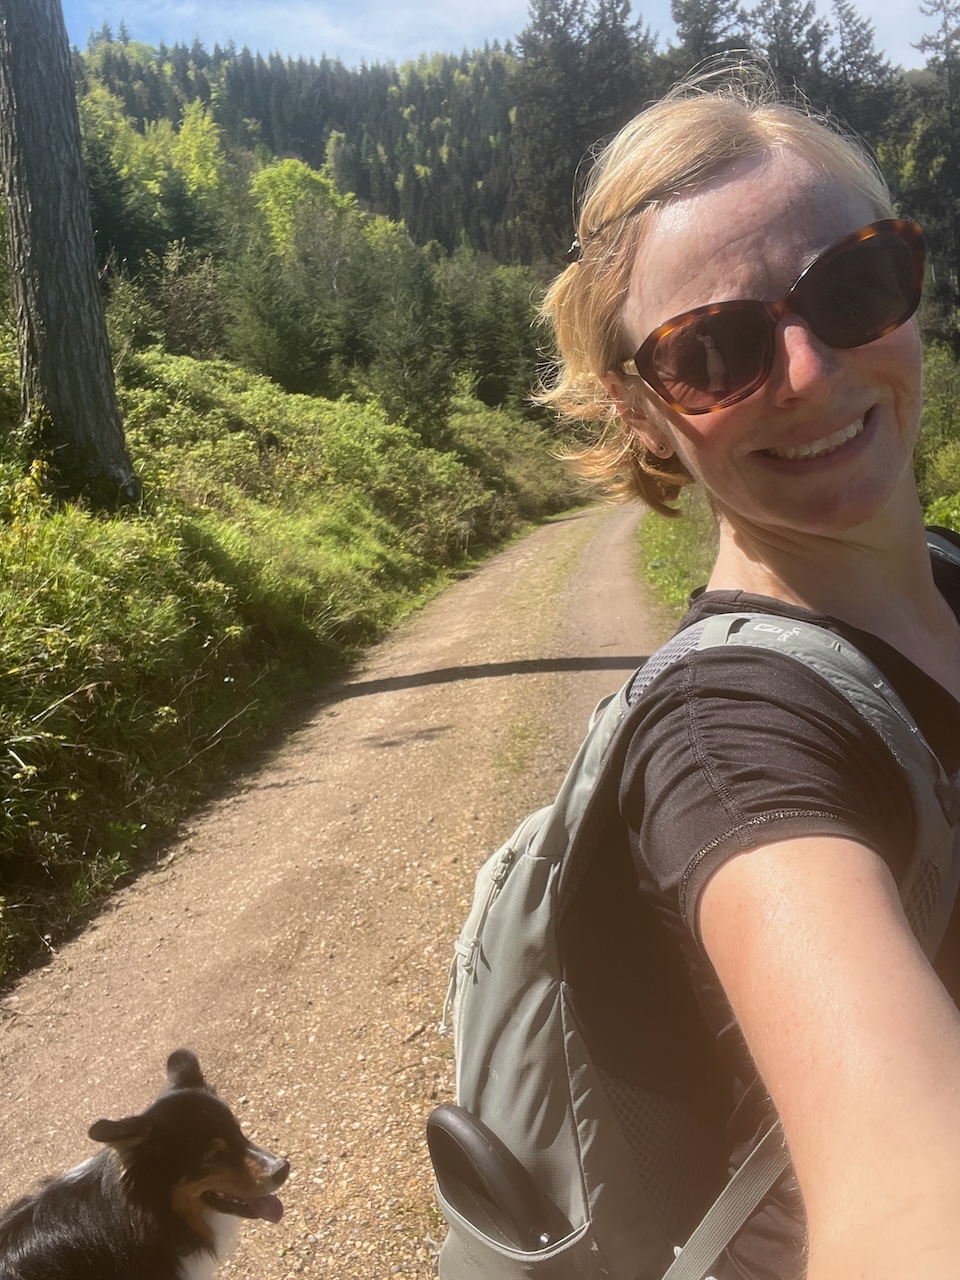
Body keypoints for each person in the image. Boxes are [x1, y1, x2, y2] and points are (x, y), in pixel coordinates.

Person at [538, 71, 960, 1280]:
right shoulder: (727, 738)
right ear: (640, 411)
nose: (812, 371)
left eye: (854, 288)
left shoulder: (949, 574)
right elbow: (905, 1194)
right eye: (714, 349)